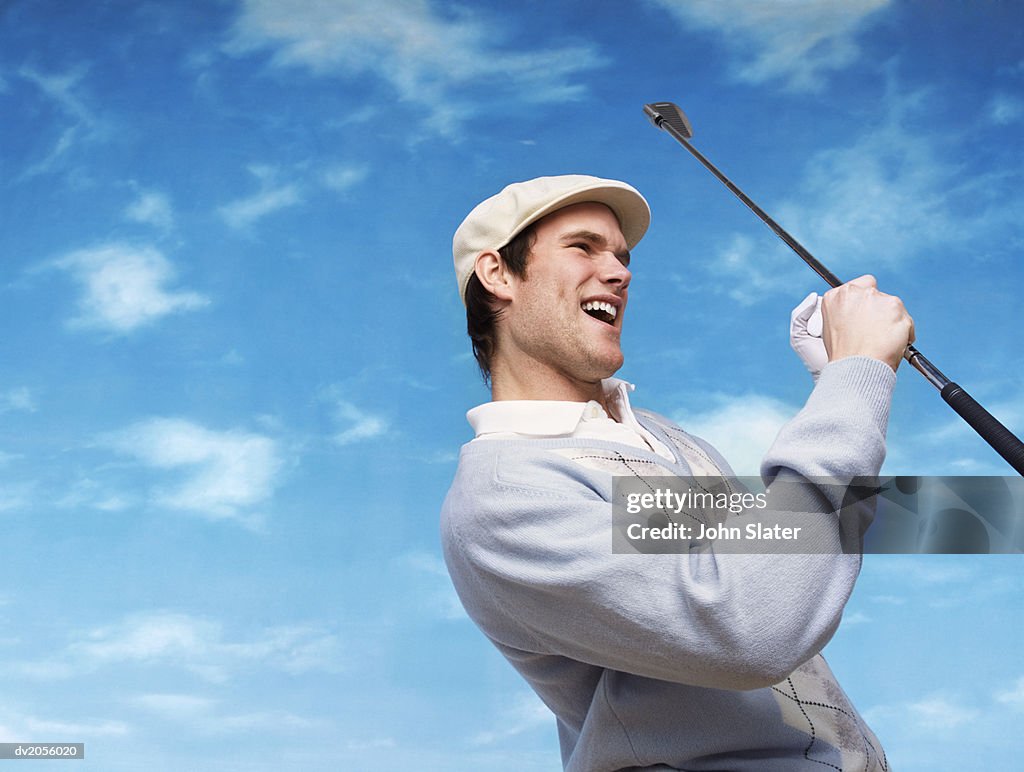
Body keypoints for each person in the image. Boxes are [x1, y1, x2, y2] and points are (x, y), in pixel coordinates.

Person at [441, 175, 913, 771]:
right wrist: (856, 378)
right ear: (497, 274)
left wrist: (837, 389)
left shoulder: (665, 439)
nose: (619, 272)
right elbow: (751, 626)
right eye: (583, 247)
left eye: (621, 255)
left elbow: (786, 559)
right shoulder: (505, 496)